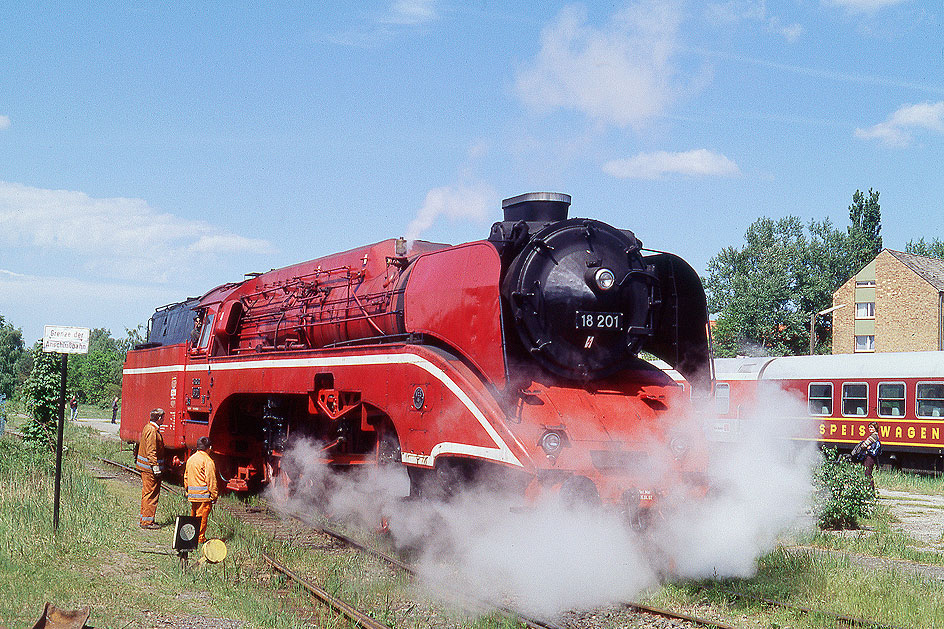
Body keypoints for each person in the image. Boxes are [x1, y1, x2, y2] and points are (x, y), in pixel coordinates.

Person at [184, 436, 219, 544]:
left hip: (192, 495)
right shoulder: (208, 461)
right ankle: (199, 539)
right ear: (209, 448)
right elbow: (211, 480)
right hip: (203, 496)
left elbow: (186, 476)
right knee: (201, 519)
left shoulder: (191, 459)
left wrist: (188, 490)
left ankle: (191, 537)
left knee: (193, 517)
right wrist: (214, 495)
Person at [136, 408, 166, 529]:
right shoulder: (152, 431)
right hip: (149, 469)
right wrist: (155, 467)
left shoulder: (148, 428)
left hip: (147, 468)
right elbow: (151, 450)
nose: (164, 419)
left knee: (147, 494)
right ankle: (147, 522)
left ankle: (145, 519)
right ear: (159, 418)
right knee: (151, 495)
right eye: (163, 417)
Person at [851, 421, 882, 491]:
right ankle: (870, 490)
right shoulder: (875, 436)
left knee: (867, 473)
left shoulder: (873, 436)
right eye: (869, 427)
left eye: (872, 427)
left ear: (875, 428)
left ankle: (870, 491)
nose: (870, 428)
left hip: (869, 457)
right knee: (868, 473)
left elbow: (863, 445)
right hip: (870, 457)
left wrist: (866, 446)